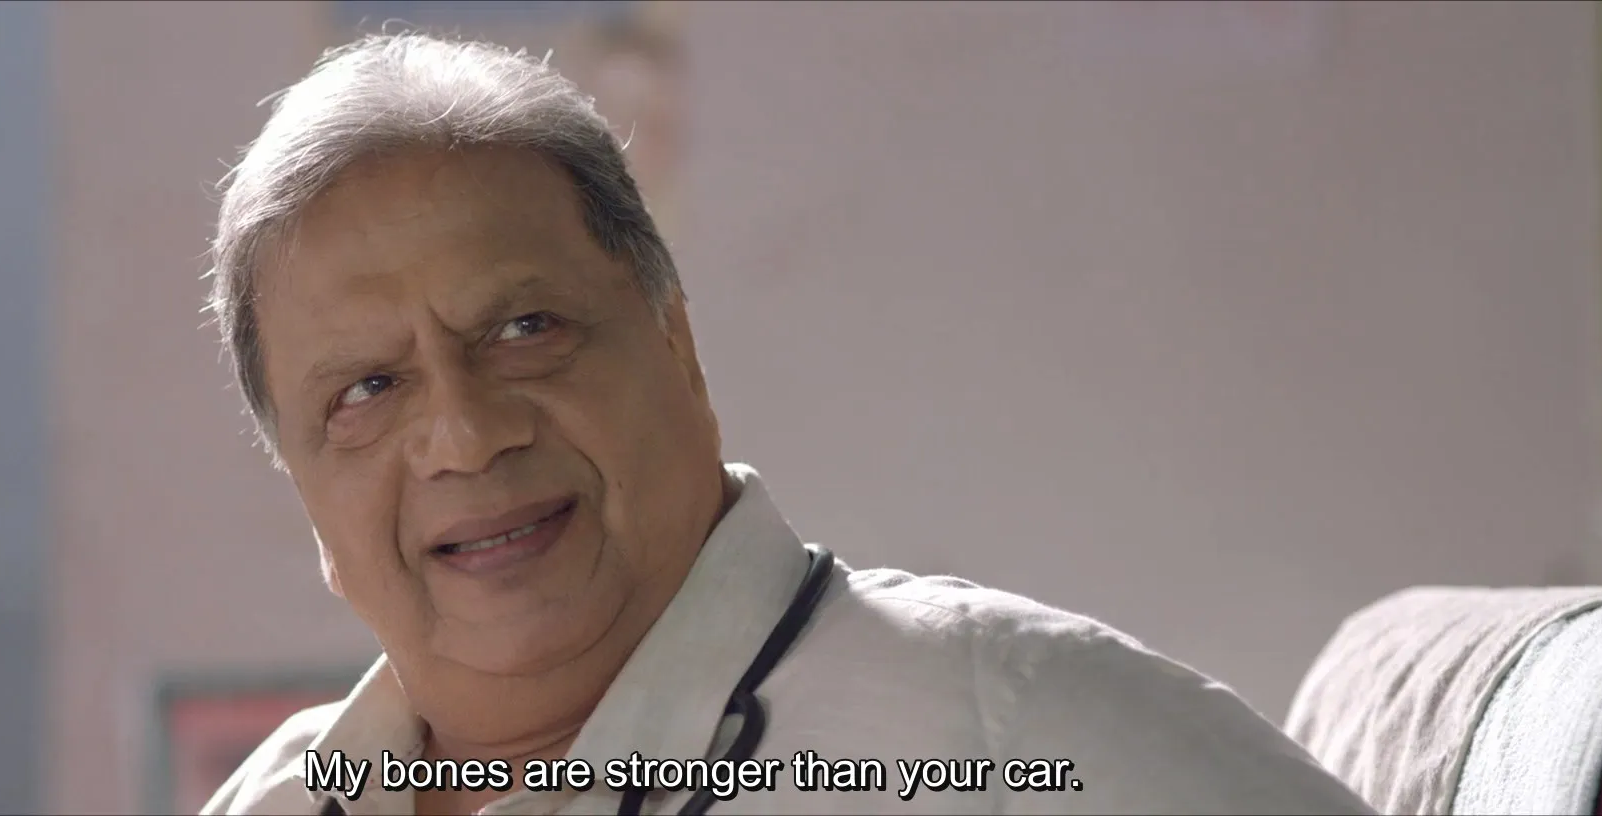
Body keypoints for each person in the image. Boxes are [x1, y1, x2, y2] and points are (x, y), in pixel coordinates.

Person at [197, 31, 1377, 816]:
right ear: (300, 482)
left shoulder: (1022, 735)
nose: (464, 435)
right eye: (366, 390)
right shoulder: (275, 801)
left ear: (675, 342)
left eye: (524, 329)